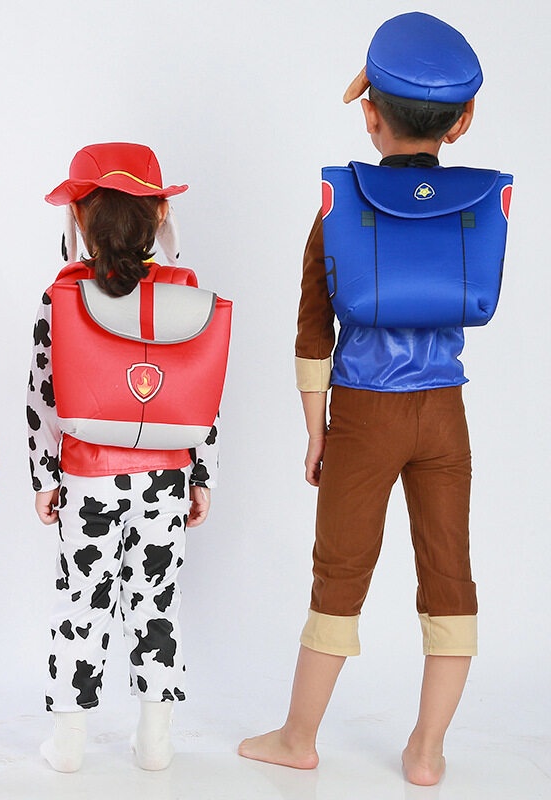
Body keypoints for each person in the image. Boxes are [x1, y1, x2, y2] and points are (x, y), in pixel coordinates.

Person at [238, 13, 509, 786]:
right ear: (463, 121)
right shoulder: (476, 204)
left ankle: (298, 738)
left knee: (340, 573)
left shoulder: (340, 208)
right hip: (445, 413)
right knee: (450, 575)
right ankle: (427, 750)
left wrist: (316, 432)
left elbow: (312, 332)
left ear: (369, 113)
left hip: (363, 409)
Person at [28, 142, 227, 772]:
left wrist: (44, 476)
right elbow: (203, 394)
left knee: (81, 602)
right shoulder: (186, 295)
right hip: (165, 477)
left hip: (88, 478)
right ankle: (156, 739)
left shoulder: (63, 296)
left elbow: (43, 395)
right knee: (156, 602)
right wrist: (202, 476)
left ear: (78, 216)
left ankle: (68, 743)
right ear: (160, 214)